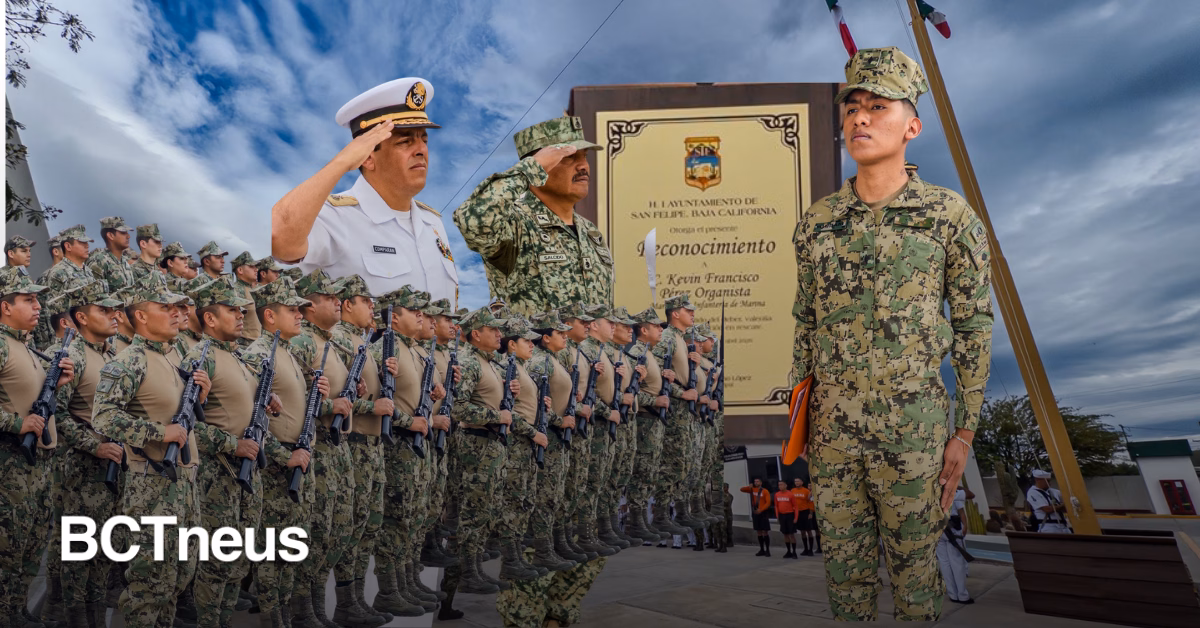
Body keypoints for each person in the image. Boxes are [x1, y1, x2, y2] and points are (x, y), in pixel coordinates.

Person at [791, 47, 993, 620]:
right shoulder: (817, 221)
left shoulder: (948, 215)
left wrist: (966, 432)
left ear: (912, 125)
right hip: (832, 437)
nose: (859, 118)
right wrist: (801, 425)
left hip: (916, 434)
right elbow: (804, 321)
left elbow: (974, 324)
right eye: (852, 107)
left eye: (877, 106)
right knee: (846, 587)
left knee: (915, 582)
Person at [271, 77, 459, 305]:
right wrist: (341, 163)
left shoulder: (433, 224)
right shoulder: (335, 216)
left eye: (424, 140)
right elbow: (279, 238)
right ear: (368, 156)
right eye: (405, 142)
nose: (421, 150)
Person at [91, 281, 207, 628]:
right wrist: (159, 434)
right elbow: (104, 416)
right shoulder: (130, 360)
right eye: (166, 307)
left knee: (177, 579)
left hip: (183, 482)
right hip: (151, 488)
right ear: (140, 315)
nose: (177, 313)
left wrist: (200, 398)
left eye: (178, 307)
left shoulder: (173, 356)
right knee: (148, 585)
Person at [183, 277, 278, 628]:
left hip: (247, 472)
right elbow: (186, 423)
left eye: (242, 310)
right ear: (209, 318)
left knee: (238, 562)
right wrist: (232, 444)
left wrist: (268, 403)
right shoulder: (201, 357)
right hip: (216, 475)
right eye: (232, 310)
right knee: (214, 563)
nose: (241, 316)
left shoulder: (237, 357)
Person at [454, 116, 610, 316]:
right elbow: (472, 219)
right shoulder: (516, 224)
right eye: (569, 157)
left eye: (585, 156)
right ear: (542, 165)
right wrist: (531, 168)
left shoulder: (590, 231)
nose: (583, 166)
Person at [288, 268, 365, 626]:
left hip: (337, 447)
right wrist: (328, 406)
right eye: (329, 297)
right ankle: (303, 611)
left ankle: (318, 606)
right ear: (307, 306)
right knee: (315, 531)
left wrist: (351, 395)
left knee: (336, 530)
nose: (338, 302)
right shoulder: (303, 342)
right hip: (316, 450)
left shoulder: (329, 342)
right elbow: (289, 403)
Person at [240, 278, 317, 627]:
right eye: (292, 310)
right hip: (276, 464)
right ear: (269, 315)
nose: (300, 315)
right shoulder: (258, 355)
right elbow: (250, 420)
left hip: (296, 459)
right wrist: (282, 456)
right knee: (273, 550)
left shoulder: (284, 351)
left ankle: (285, 617)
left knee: (291, 549)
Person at [0, 267, 75, 625]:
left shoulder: (25, 346)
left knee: (29, 549)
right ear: (5, 306)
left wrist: (55, 385)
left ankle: (16, 610)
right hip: (9, 469)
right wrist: (17, 424)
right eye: (28, 300)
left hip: (37, 468)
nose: (37, 306)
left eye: (38, 299)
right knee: (7, 551)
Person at [938, 482, 974, 604]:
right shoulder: (949, 490)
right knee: (957, 562)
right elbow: (971, 494)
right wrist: (955, 485)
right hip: (951, 528)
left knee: (944, 563)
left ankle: (953, 594)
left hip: (936, 529)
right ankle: (963, 595)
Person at [86, 216, 137, 292]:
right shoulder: (99, 262)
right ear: (110, 235)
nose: (128, 236)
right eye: (123, 232)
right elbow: (94, 298)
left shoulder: (124, 262)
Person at [230, 251, 263, 345]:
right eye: (251, 266)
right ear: (240, 270)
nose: (256, 269)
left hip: (258, 344)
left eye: (256, 267)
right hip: (244, 346)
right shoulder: (235, 290)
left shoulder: (256, 289)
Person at [1027, 469, 1071, 534]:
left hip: (1063, 526)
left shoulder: (1054, 492)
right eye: (1047, 481)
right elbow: (1047, 509)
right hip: (1048, 526)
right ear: (1038, 480)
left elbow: (1068, 505)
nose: (1049, 484)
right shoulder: (1033, 492)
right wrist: (1063, 505)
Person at [741, 478, 772, 557]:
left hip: (763, 513)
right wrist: (749, 487)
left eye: (757, 481)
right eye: (755, 481)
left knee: (765, 531)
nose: (756, 482)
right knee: (758, 531)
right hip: (755, 513)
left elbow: (768, 502)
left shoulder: (765, 491)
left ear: (761, 483)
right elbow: (742, 489)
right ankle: (761, 549)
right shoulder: (752, 490)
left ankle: (767, 550)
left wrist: (761, 510)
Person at [792, 478, 818, 556]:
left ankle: (810, 550)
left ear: (802, 482)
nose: (796, 483)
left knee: (808, 531)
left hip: (806, 512)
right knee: (802, 531)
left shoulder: (806, 491)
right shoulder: (792, 491)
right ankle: (805, 549)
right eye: (795, 481)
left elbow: (810, 502)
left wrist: (810, 512)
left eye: (798, 481)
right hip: (797, 512)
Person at [774, 480, 798, 558]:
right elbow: (776, 506)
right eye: (779, 485)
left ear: (785, 485)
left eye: (781, 484)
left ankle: (794, 552)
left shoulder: (790, 494)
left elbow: (796, 506)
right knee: (785, 534)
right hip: (782, 516)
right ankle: (788, 551)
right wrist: (777, 516)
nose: (780, 486)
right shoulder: (777, 494)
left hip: (790, 515)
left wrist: (795, 517)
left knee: (791, 534)